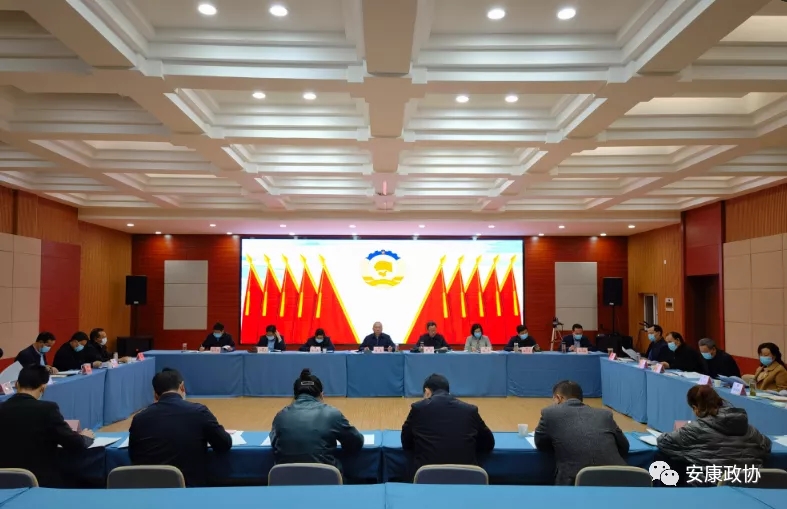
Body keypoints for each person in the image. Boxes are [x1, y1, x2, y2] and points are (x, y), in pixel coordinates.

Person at [129, 368, 232, 487]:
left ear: (155, 394)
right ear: (182, 387)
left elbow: (133, 455)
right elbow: (224, 444)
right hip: (190, 490)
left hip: (149, 491)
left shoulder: (139, 419)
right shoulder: (199, 412)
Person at [656, 385, 771, 486]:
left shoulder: (695, 428)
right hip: (750, 486)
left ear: (695, 408)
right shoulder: (749, 428)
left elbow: (663, 441)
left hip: (708, 487)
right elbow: (766, 445)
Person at [0, 365, 94, 487]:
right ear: (43, 388)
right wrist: (85, 437)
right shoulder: (47, 409)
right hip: (41, 481)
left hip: (5, 480)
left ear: (17, 384)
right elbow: (74, 444)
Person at [534, 380, 628, 485]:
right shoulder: (604, 414)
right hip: (621, 480)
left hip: (576, 483)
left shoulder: (550, 413)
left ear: (558, 398)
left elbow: (540, 443)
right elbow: (624, 446)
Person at [270, 369, 363, 473]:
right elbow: (356, 443)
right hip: (326, 480)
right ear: (321, 395)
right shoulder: (332, 414)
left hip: (286, 480)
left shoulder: (280, 416)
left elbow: (274, 444)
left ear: (294, 396)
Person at [401, 374, 494, 476]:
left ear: (427, 392)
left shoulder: (418, 408)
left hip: (427, 478)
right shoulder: (470, 410)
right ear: (448, 391)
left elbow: (406, 443)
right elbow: (489, 443)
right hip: (467, 478)